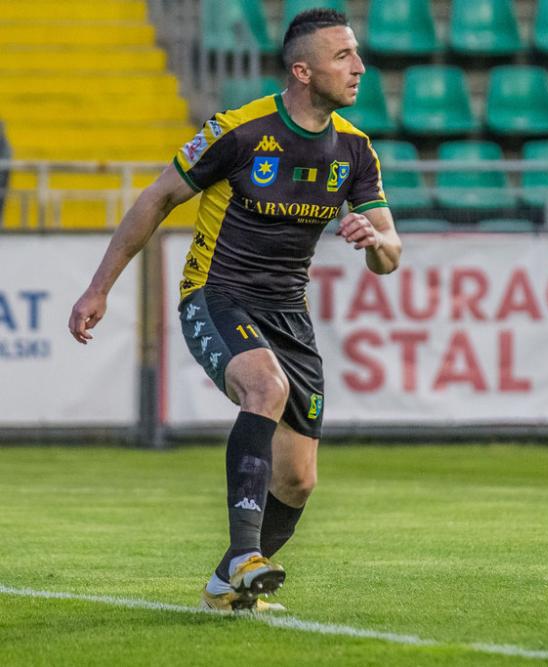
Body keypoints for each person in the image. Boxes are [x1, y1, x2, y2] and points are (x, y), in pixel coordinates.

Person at [68, 8, 401, 613]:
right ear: (303, 71)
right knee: (265, 387)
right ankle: (248, 558)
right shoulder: (238, 132)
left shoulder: (355, 149)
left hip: (289, 314)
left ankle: (227, 582)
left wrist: (376, 241)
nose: (359, 67)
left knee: (298, 480)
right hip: (216, 293)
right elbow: (157, 198)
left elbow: (390, 254)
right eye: (343, 56)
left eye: (356, 54)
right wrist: (99, 288)